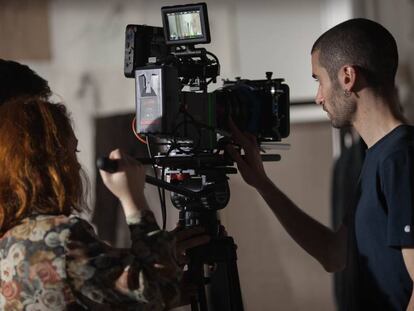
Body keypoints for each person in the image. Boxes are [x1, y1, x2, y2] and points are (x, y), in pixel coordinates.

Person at [227, 18, 414, 310]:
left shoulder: (401, 158)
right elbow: (334, 254)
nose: (318, 97)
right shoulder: (374, 158)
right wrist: (263, 184)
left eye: (319, 80)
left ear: (347, 77)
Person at [0, 96, 208, 310]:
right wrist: (133, 198)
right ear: (53, 165)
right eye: (73, 153)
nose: (77, 167)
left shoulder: (10, 240)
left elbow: (103, 295)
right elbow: (158, 290)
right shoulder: (61, 238)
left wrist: (165, 250)